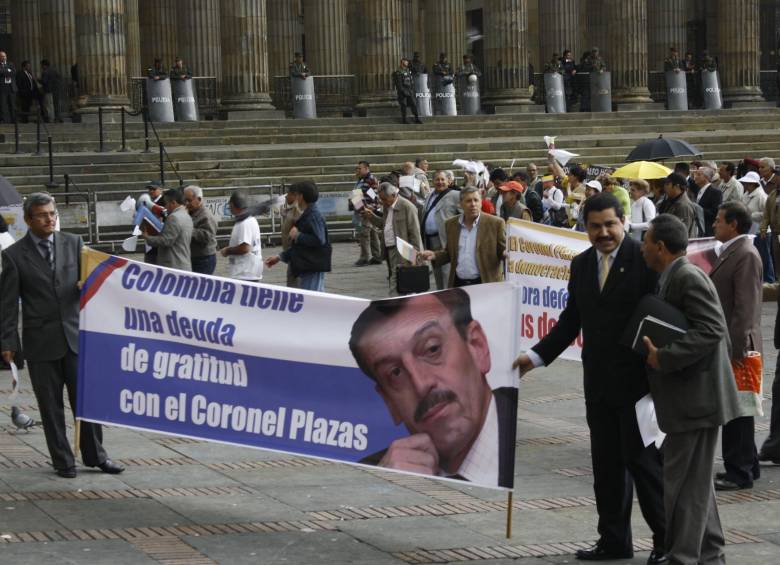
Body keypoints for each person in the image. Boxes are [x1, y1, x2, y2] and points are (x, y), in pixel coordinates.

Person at [513, 193, 666, 564]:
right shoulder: (581, 265)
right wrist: (534, 357)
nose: (603, 233)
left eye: (610, 224)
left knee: (646, 469)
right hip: (597, 385)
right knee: (606, 468)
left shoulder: (644, 261)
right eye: (595, 226)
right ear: (585, 227)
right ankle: (614, 541)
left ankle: (667, 541)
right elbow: (571, 321)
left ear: (623, 223)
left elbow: (662, 319)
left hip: (638, 386)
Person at [640, 214, 745, 565]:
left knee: (683, 481)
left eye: (646, 242)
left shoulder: (686, 276)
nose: (642, 248)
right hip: (693, 399)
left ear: (660, 247)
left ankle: (683, 556)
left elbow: (713, 328)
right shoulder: (673, 275)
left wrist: (664, 357)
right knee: (695, 480)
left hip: (698, 399)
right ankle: (710, 553)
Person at [0, 193, 124, 479]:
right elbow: (6, 304)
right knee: (50, 405)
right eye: (42, 215)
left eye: (52, 213)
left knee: (86, 401)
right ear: (29, 220)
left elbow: (92, 283)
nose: (50, 219)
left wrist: (88, 287)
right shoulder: (14, 255)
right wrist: (7, 342)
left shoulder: (74, 243)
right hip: (41, 342)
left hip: (75, 336)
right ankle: (63, 460)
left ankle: (96, 456)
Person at [348, 289, 517, 487]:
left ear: (477, 346)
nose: (421, 385)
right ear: (388, 401)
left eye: (432, 349)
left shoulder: (523, 444)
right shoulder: (378, 471)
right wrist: (389, 488)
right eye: (395, 373)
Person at [709, 202, 763, 491]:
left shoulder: (745, 254)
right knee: (737, 408)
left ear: (733, 224)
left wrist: (737, 349)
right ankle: (748, 465)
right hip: (733, 344)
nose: (714, 224)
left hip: (740, 347)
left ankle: (738, 471)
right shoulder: (733, 250)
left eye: (718, 220)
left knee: (738, 411)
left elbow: (746, 307)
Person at [420, 187, 506, 288]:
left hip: (486, 284)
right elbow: (450, 253)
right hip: (458, 284)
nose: (473, 204)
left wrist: (506, 253)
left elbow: (502, 250)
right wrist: (434, 255)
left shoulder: (496, 223)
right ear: (460, 204)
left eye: (476, 200)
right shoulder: (451, 224)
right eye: (468, 201)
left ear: (481, 203)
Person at [266, 181, 331, 292]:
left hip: (311, 266)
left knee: (311, 301)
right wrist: (280, 257)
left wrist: (298, 235)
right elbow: (299, 246)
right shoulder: (308, 214)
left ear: (301, 196)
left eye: (297, 195)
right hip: (306, 265)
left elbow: (319, 240)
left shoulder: (313, 215)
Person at [361, 182, 422, 295]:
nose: (382, 202)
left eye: (385, 199)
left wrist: (415, 256)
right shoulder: (387, 206)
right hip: (389, 249)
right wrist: (371, 216)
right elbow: (385, 224)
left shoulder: (407, 207)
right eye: (381, 199)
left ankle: (394, 304)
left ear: (394, 195)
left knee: (396, 282)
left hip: (403, 250)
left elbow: (415, 233)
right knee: (399, 281)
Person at [421, 170, 461, 290]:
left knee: (446, 273)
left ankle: (448, 298)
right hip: (429, 240)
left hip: (444, 240)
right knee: (437, 273)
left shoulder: (455, 195)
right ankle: (441, 296)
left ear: (449, 181)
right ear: (432, 181)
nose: (440, 182)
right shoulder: (430, 195)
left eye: (442, 179)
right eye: (437, 179)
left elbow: (466, 214)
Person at [143, 188, 193, 271]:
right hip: (182, 262)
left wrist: (147, 237)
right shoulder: (186, 214)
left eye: (166, 204)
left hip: (173, 265)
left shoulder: (173, 217)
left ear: (173, 203)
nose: (165, 207)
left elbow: (166, 241)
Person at [220, 190, 263, 282]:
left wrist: (227, 250)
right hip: (250, 271)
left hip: (244, 273)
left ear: (232, 205)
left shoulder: (244, 223)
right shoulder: (251, 219)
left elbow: (245, 248)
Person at [740, 171, 774, 283]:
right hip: (751, 231)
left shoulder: (761, 196)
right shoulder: (745, 195)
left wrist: (750, 215)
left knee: (765, 258)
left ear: (753, 184)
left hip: (762, 231)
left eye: (747, 183)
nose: (745, 185)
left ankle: (769, 281)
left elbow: (767, 213)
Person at [351, 161, 382, 266]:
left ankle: (364, 257)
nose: (357, 170)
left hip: (367, 210)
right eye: (357, 168)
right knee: (372, 233)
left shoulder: (371, 180)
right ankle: (377, 256)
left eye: (360, 168)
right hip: (361, 209)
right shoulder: (361, 180)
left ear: (366, 168)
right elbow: (357, 194)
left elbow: (374, 196)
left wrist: (368, 207)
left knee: (364, 234)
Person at [183, 185, 217, 274]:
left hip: (203, 259)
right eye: (185, 200)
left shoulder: (206, 215)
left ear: (199, 199)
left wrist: (187, 229)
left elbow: (207, 237)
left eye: (189, 200)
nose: (186, 203)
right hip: (193, 256)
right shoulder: (190, 212)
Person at [759, 157, 780, 280]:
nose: (777, 178)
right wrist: (763, 228)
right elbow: (766, 213)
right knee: (776, 259)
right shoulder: (773, 194)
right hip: (775, 232)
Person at [658, 173, 698, 237]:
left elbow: (682, 233)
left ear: (677, 186)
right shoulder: (671, 200)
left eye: (668, 184)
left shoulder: (684, 206)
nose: (665, 187)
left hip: (678, 245)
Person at [279, 188, 302, 287]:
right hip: (291, 253)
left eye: (288, 194)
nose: (286, 197)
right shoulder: (292, 209)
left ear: (295, 195)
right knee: (291, 281)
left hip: (296, 255)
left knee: (294, 283)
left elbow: (297, 223)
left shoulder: (298, 209)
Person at [692, 164, 723, 237]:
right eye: (695, 174)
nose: (695, 177)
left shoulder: (715, 192)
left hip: (708, 230)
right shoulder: (698, 190)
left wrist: (697, 209)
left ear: (706, 177)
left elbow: (715, 212)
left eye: (699, 175)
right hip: (698, 229)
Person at [393, 57, 422, 124]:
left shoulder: (408, 70)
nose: (407, 62)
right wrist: (403, 91)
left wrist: (411, 89)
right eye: (406, 61)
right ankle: (404, 120)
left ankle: (417, 118)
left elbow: (411, 81)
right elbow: (398, 84)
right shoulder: (398, 72)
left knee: (414, 104)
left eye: (407, 61)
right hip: (402, 92)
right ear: (402, 62)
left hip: (409, 90)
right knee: (404, 105)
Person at [143, 181, 164, 265]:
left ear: (161, 189)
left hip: (158, 237)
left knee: (153, 261)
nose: (151, 191)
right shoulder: (149, 202)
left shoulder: (163, 202)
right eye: (149, 189)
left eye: (153, 189)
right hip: (150, 236)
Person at [0, 51, 16, 123]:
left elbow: (14, 72)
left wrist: (5, 71)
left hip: (11, 87)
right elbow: (1, 72)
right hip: (3, 88)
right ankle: (5, 120)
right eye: (2, 56)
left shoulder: (10, 64)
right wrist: (8, 71)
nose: (4, 57)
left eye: (5, 56)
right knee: (3, 105)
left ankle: (13, 120)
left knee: (12, 104)